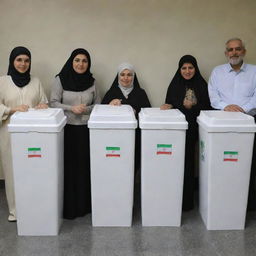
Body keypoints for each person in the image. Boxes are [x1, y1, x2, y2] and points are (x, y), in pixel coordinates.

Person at [50, 48, 101, 219]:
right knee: (69, 168)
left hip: (86, 130)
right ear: (71, 61)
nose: (81, 64)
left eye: (84, 61)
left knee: (85, 167)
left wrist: (85, 109)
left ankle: (84, 205)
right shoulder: (61, 79)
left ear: (88, 64)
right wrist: (71, 108)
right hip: (67, 129)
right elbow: (53, 103)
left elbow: (98, 105)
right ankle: (70, 208)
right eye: (77, 60)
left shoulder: (92, 82)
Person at [0, 46, 48, 222]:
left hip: (33, 133)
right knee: (12, 172)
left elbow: (44, 102)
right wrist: (12, 109)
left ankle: (33, 207)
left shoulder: (36, 81)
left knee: (33, 169)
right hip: (9, 134)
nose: (23, 64)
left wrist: (43, 105)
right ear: (12, 61)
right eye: (19, 60)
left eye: (26, 60)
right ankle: (15, 211)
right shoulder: (3, 81)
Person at [208, 38, 256, 210]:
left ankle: (245, 205)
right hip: (222, 123)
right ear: (226, 53)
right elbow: (213, 97)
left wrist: (242, 109)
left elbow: (255, 97)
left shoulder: (254, 71)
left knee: (245, 164)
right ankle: (222, 200)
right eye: (230, 50)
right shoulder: (217, 72)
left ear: (244, 51)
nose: (234, 53)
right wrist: (226, 107)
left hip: (249, 122)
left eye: (237, 49)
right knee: (224, 162)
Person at [161, 55, 211, 211]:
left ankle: (186, 202)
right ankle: (171, 197)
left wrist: (193, 106)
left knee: (189, 163)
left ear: (195, 69)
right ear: (179, 69)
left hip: (195, 129)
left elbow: (209, 106)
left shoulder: (201, 84)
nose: (187, 71)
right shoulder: (175, 83)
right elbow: (170, 101)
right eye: (184, 68)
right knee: (173, 162)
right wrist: (175, 104)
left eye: (190, 67)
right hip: (176, 130)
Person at [101, 62, 151, 169]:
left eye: (129, 75)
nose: (126, 78)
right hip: (114, 137)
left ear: (133, 77)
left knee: (132, 165)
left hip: (136, 138)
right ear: (118, 76)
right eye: (122, 74)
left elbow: (147, 115)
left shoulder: (141, 93)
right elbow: (100, 114)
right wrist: (110, 106)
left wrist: (134, 112)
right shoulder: (111, 93)